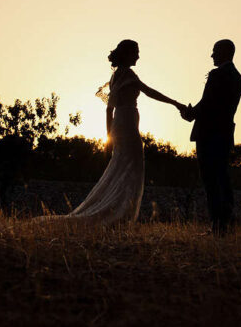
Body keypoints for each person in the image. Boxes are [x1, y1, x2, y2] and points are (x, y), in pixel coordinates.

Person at [43, 39, 185, 227]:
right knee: (131, 167)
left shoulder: (117, 75)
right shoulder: (127, 74)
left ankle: (120, 213)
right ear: (127, 54)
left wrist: (109, 136)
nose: (138, 56)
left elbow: (110, 110)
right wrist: (175, 103)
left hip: (122, 122)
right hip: (126, 123)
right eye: (136, 52)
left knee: (122, 166)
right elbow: (149, 92)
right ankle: (119, 214)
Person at [180, 39, 241, 235]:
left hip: (208, 134)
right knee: (222, 177)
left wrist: (190, 114)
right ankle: (226, 224)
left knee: (210, 180)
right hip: (225, 134)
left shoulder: (217, 75)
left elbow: (207, 103)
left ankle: (217, 225)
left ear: (224, 52)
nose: (212, 55)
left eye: (215, 51)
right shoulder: (238, 77)